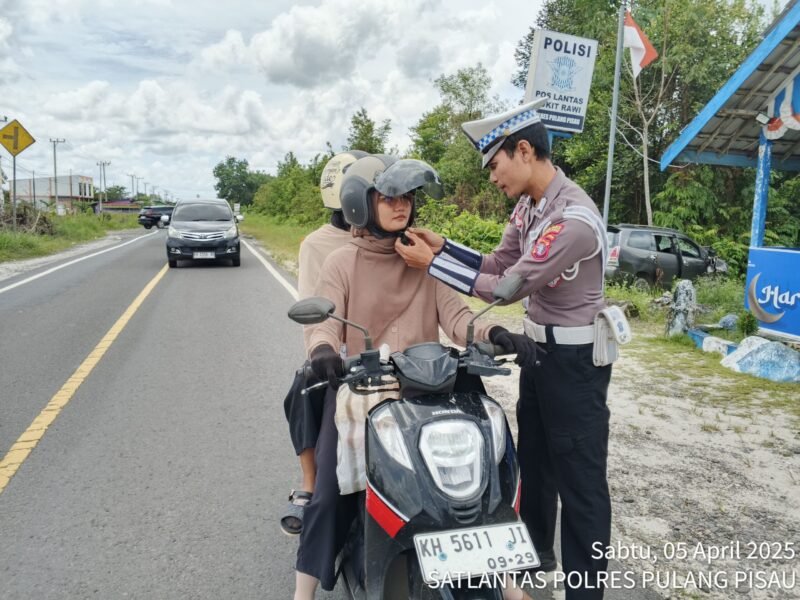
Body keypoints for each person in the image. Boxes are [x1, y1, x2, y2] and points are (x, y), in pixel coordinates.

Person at [394, 98, 612, 599]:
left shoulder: (573, 218)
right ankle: (537, 559)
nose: (492, 176)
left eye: (495, 165)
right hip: (538, 354)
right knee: (534, 463)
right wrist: (444, 246)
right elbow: (496, 260)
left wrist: (432, 265)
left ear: (524, 150)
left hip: (576, 364)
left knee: (579, 481)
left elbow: (510, 286)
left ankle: (585, 590)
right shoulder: (530, 206)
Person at [293, 155, 535, 599]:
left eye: (406, 196)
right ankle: (302, 592)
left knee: (493, 468)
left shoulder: (423, 258)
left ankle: (507, 576)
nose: (401, 204)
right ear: (360, 204)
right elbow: (323, 321)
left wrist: (495, 331)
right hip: (361, 387)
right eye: (388, 196)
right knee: (327, 494)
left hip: (429, 385)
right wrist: (324, 351)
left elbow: (459, 316)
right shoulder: (342, 262)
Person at [281, 150, 366, 536]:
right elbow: (314, 311)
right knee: (301, 390)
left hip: (385, 349)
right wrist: (324, 350)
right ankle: (311, 480)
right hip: (337, 351)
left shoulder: (382, 235)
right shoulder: (317, 244)